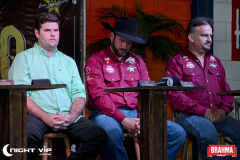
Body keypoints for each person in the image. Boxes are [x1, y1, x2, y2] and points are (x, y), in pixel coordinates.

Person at [8, 13, 107, 160]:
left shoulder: (69, 62)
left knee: (99, 136)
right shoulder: (24, 59)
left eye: (56, 30)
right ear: (37, 33)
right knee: (24, 136)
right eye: (47, 30)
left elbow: (79, 93)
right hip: (37, 116)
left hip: (67, 116)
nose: (53, 34)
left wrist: (72, 116)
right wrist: (46, 116)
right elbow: (21, 95)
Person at [85, 16, 186, 160]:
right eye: (121, 41)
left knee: (178, 133)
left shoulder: (138, 61)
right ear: (112, 36)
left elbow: (148, 92)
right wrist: (124, 119)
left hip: (135, 114)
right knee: (111, 132)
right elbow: (99, 96)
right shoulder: (95, 60)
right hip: (105, 114)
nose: (124, 47)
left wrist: (141, 117)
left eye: (129, 43)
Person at [166, 17, 240, 159]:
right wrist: (205, 111)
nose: (209, 39)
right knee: (209, 135)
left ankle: (225, 158)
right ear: (191, 37)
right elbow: (176, 96)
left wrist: (223, 110)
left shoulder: (215, 62)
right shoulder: (177, 62)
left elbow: (227, 92)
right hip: (190, 116)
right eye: (204, 35)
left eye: (210, 35)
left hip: (218, 115)